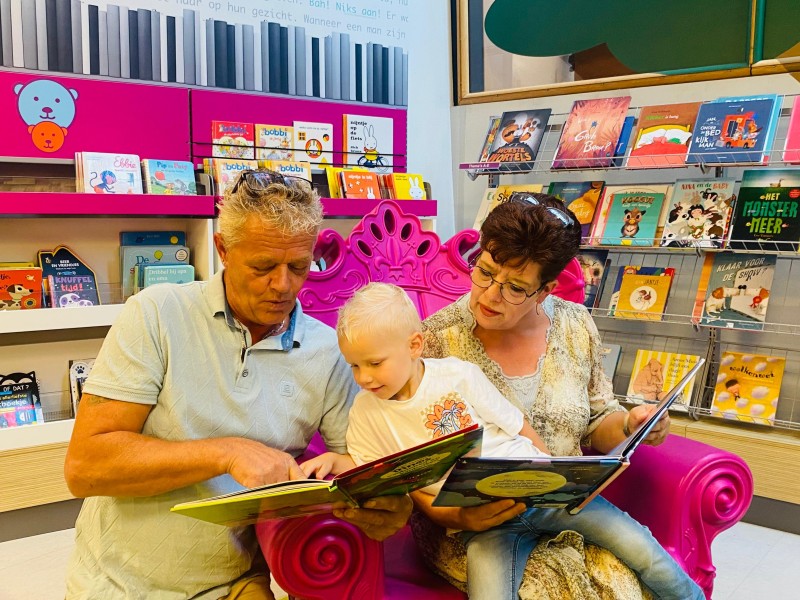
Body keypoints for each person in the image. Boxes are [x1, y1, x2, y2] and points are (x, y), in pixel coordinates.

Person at [63, 169, 412, 600]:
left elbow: (358, 463)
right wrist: (225, 453)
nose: (283, 286)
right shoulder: (156, 314)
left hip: (237, 584)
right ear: (223, 249)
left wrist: (384, 506)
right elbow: (85, 467)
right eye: (263, 266)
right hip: (119, 583)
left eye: (299, 267)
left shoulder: (328, 351)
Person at [415, 192, 705, 600]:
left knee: (633, 577)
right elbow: (408, 454)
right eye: (484, 271)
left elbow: (597, 419)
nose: (489, 295)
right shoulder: (434, 340)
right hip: (473, 524)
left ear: (547, 289)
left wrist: (630, 424)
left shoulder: (574, 325)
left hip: (567, 507)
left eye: (515, 287)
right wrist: (459, 514)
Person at [299, 281, 550, 483]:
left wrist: (555, 468)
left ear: (414, 346)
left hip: (523, 473)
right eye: (354, 365)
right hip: (475, 509)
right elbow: (366, 467)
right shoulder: (365, 410)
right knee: (490, 549)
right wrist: (332, 460)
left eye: (375, 364)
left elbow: (515, 424)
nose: (363, 377)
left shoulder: (457, 375)